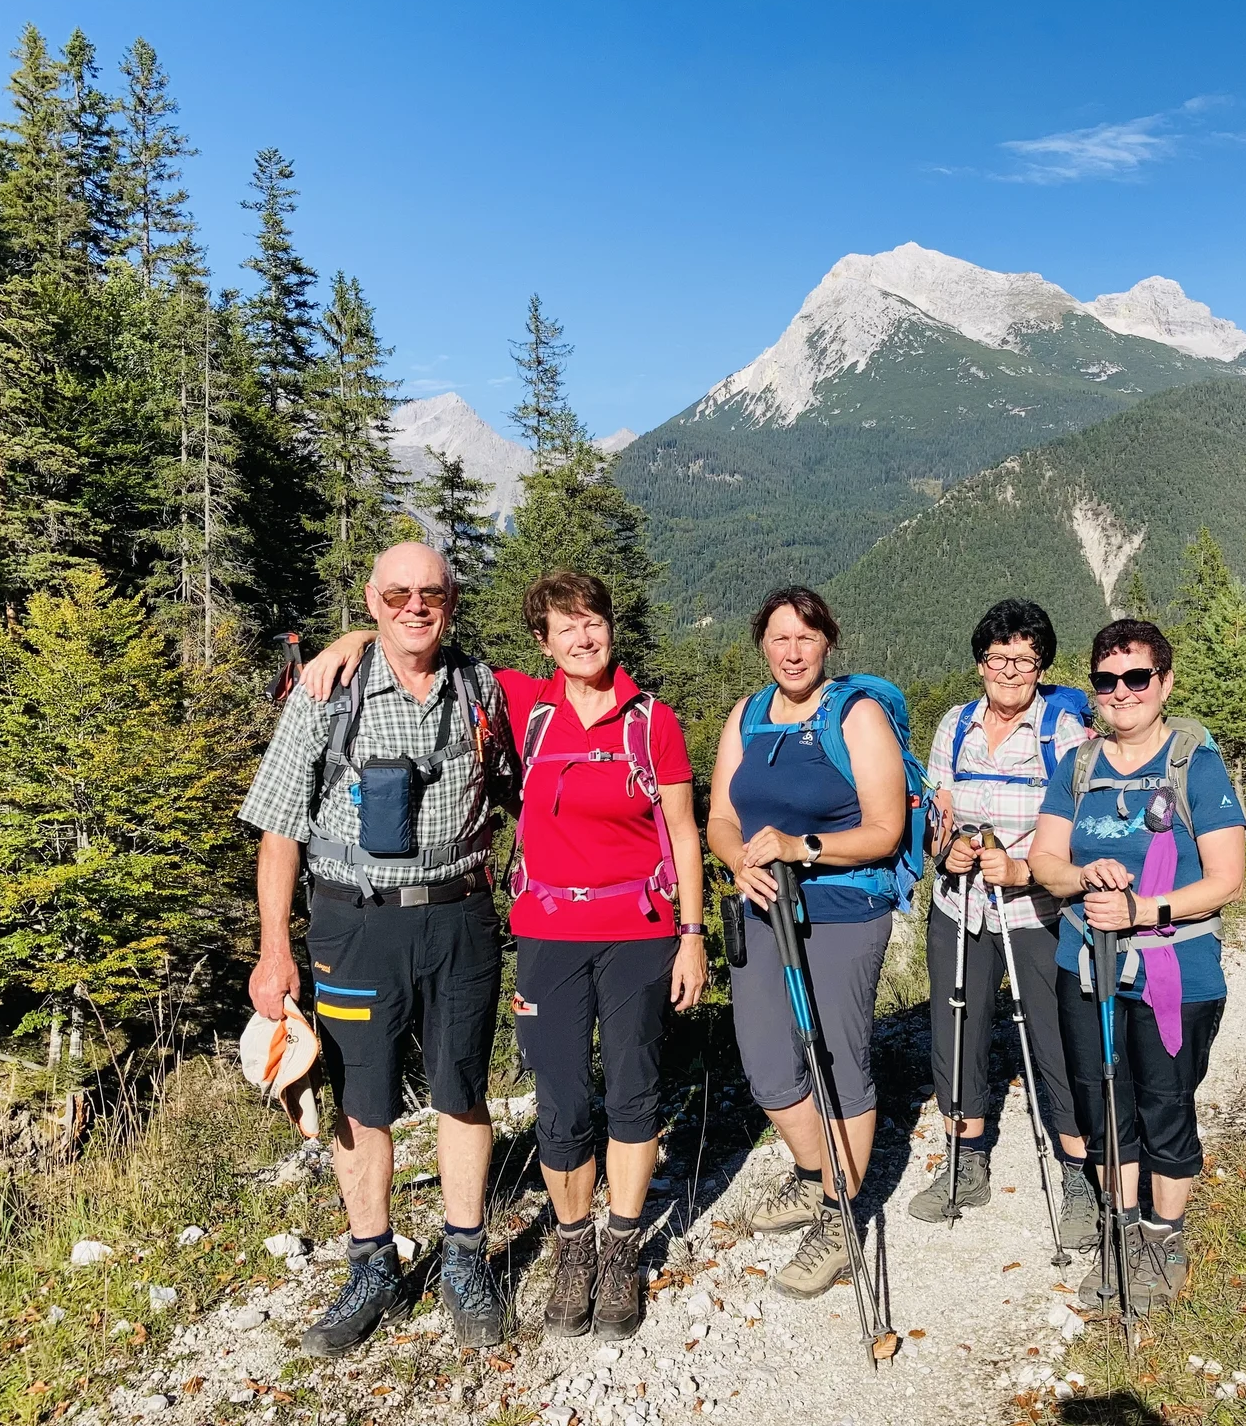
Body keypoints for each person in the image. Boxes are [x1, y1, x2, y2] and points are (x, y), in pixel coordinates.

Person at [301, 571, 707, 1342]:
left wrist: (693, 935)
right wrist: (354, 640)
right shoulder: (524, 703)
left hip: (642, 930)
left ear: (610, 628)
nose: (583, 637)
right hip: (549, 932)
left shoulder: (653, 720)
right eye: (566, 627)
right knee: (559, 1100)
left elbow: (684, 834)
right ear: (543, 643)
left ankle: (619, 1252)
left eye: (593, 622)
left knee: (633, 1089)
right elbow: (421, 648)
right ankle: (572, 1246)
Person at [240, 542, 517, 1357]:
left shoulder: (481, 688)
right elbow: (281, 830)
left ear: (453, 598)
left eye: (430, 591)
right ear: (371, 601)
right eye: (396, 595)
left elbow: (520, 789)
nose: (414, 606)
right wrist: (272, 950)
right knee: (363, 1100)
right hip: (352, 924)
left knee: (463, 1090)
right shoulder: (327, 692)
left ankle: (464, 1260)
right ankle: (372, 1267)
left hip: (462, 918)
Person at [1026, 618, 1246, 1314]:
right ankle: (1122, 1228)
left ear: (1164, 683)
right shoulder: (1080, 766)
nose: (1121, 692)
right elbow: (1043, 863)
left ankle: (1164, 1236)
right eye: (1106, 680)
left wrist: (1144, 911)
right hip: (1084, 964)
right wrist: (1081, 873)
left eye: (1136, 678)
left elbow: (1226, 879)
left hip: (1175, 970)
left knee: (1165, 1101)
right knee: (1101, 1100)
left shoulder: (1194, 764)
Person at [706, 586, 906, 1300]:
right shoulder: (749, 715)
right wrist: (739, 862)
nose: (792, 651)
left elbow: (887, 830)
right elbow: (721, 815)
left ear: (829, 645)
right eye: (780, 638)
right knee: (768, 1065)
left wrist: (803, 846)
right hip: (763, 907)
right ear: (763, 643)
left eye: (807, 638)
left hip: (844, 909)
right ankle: (819, 1173)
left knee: (837, 1061)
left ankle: (840, 1214)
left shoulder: (856, 716)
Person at [912, 600, 1097, 1240]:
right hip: (959, 907)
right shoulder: (954, 727)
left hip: (1035, 909)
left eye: (1023, 658)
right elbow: (934, 818)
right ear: (980, 662)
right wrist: (948, 849)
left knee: (1055, 1038)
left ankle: (1079, 1172)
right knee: (956, 1030)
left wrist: (1021, 871)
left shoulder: (1064, 733)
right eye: (998, 657)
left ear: (1042, 663)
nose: (1010, 670)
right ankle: (965, 1161)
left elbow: (1083, 829)